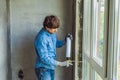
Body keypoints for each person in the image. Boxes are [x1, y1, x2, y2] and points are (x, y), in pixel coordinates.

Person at [34, 15, 72, 80]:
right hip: (43, 69)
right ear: (47, 27)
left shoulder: (51, 33)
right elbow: (44, 58)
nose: (56, 30)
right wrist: (60, 64)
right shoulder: (41, 38)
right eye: (54, 28)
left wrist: (65, 41)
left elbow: (54, 43)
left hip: (50, 67)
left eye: (57, 28)